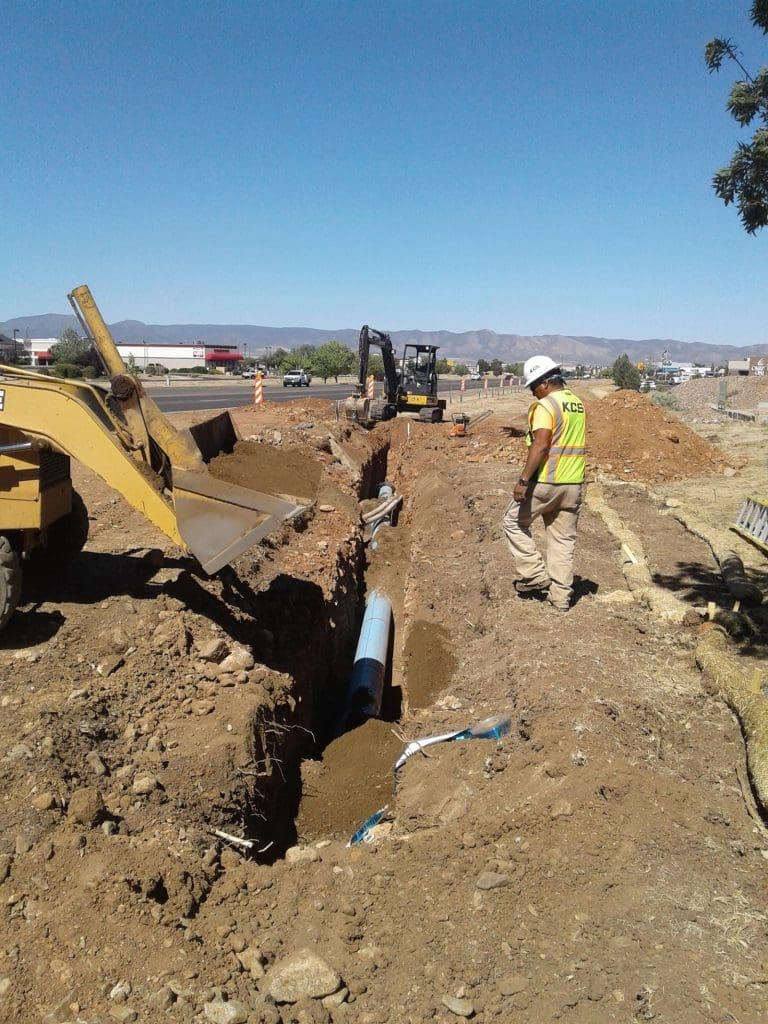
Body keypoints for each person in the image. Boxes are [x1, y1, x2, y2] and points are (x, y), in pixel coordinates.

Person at [502, 356, 587, 612]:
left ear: (545, 383)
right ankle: (560, 599)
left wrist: (522, 481)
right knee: (562, 541)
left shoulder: (546, 406)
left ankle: (535, 575)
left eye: (533, 387)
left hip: (547, 481)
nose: (533, 393)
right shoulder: (577, 404)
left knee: (512, 522)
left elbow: (541, 444)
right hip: (573, 484)